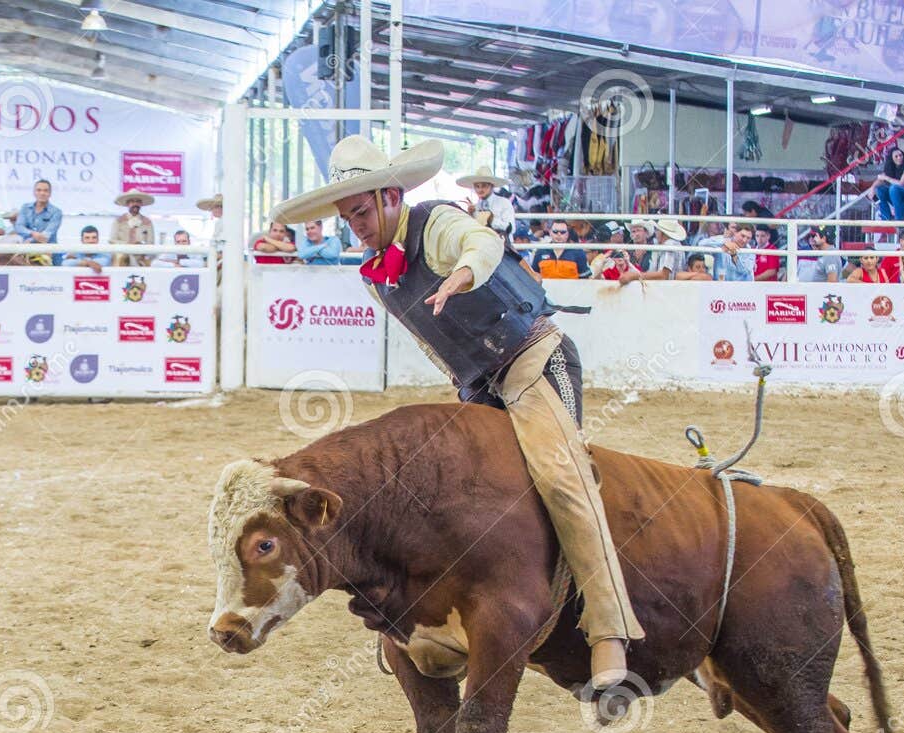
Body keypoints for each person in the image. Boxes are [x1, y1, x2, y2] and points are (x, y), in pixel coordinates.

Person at [274, 134, 642, 687]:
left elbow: (483, 246)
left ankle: (609, 628)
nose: (356, 225)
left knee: (563, 478)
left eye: (359, 212)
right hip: (477, 386)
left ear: (390, 197)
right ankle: (433, 626)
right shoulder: (381, 272)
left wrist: (462, 275)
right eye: (347, 217)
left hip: (533, 360)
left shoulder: (439, 223)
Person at [455, 164, 515, 235]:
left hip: (501, 244)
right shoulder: (475, 207)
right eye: (477, 186)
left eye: (484, 186)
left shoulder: (504, 203)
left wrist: (492, 221)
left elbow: (511, 229)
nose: (480, 189)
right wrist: (470, 215)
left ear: (492, 186)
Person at [110, 193, 156, 266]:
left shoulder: (147, 222)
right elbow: (112, 240)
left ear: (141, 204)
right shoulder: (119, 221)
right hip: (122, 257)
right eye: (132, 202)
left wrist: (141, 246)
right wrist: (128, 244)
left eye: (138, 201)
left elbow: (151, 243)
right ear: (127, 204)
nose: (135, 204)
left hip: (141, 256)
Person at [13, 180, 62, 246]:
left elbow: (46, 236)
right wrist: (32, 233)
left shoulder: (56, 212)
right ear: (34, 192)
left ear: (50, 193)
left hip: (47, 249)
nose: (42, 193)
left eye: (45, 190)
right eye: (39, 190)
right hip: (26, 248)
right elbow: (19, 227)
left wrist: (30, 240)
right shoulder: (25, 208)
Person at [873, 146, 904, 221]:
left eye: (900, 155)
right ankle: (886, 217)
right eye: (896, 156)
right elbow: (880, 179)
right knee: (880, 189)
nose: (899, 158)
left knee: (893, 188)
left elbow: (901, 184)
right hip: (896, 196)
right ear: (892, 159)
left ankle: (899, 219)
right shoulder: (890, 167)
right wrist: (872, 188)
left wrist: (886, 178)